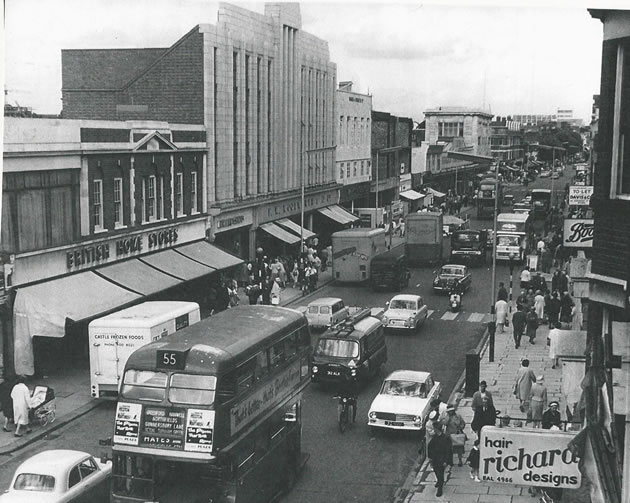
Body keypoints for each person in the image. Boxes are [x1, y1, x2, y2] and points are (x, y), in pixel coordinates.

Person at [427, 425, 452, 497]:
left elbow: (448, 450)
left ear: (437, 429)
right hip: (435, 458)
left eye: (434, 428)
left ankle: (440, 488)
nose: (433, 430)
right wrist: (430, 457)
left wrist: (446, 461)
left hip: (442, 459)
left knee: (440, 473)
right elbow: (430, 446)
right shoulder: (435, 437)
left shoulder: (445, 438)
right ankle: (439, 481)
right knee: (435, 470)